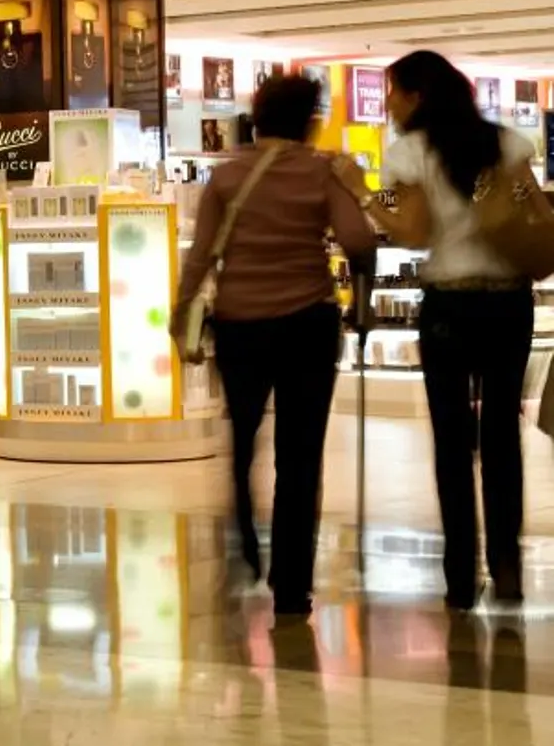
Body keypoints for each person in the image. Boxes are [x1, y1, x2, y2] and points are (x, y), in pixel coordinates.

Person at [332, 50, 545, 609]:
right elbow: (534, 213)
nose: (390, 104)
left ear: (417, 96)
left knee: (453, 442)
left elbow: (413, 231)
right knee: (501, 436)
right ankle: (507, 565)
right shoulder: (505, 143)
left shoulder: (409, 152)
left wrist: (362, 191)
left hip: (449, 306)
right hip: (508, 304)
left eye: (393, 92)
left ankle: (459, 577)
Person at [171, 75, 375, 619]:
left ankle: (242, 520)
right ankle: (291, 585)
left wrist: (181, 315)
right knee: (300, 455)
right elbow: (357, 240)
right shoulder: (323, 170)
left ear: (256, 117)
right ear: (309, 119)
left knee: (244, 434)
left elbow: (201, 256)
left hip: (240, 322)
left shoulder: (226, 174)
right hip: (307, 321)